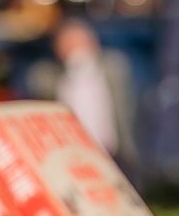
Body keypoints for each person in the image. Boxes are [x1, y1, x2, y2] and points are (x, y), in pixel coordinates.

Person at [24, 18, 140, 174]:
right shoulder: (47, 77)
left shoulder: (113, 68)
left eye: (79, 41)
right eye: (68, 43)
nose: (75, 48)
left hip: (113, 153)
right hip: (72, 155)